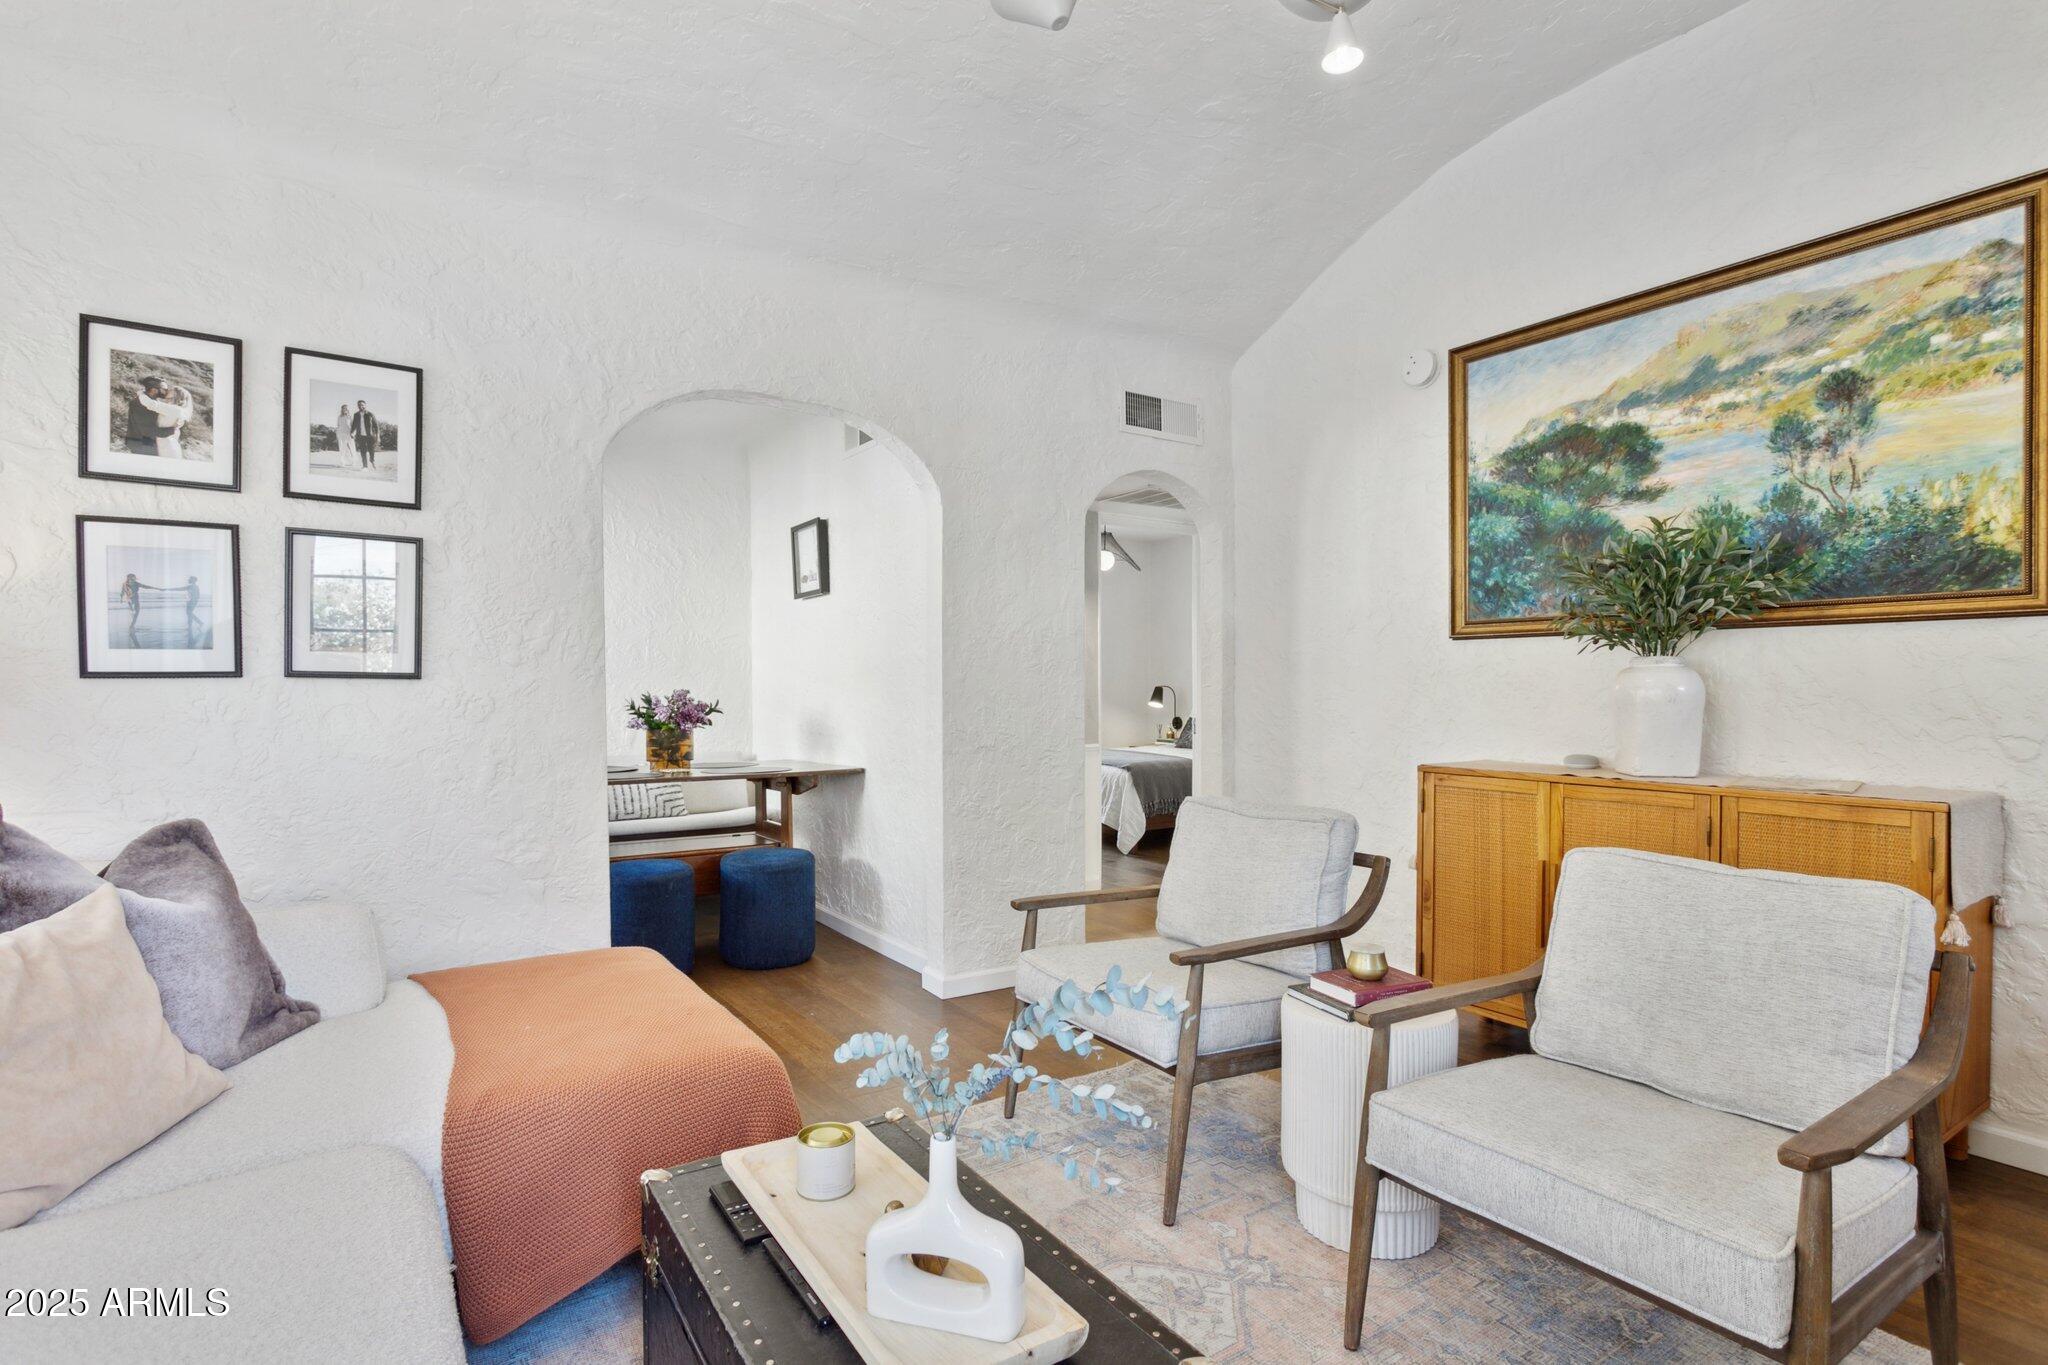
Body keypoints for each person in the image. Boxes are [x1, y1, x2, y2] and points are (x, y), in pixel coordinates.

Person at [134, 383, 194, 459]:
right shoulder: (174, 408)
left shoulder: (175, 410)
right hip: (164, 443)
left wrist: (141, 393)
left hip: (167, 447)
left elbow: (151, 404)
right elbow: (159, 405)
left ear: (176, 394)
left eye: (171, 390)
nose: (168, 390)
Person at [125, 377, 166, 455]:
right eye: (164, 389)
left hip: (144, 442)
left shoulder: (149, 401)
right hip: (141, 444)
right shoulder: (140, 404)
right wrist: (172, 430)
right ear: (154, 390)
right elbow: (147, 429)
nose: (167, 391)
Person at [349, 399, 380, 470]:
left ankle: (372, 460)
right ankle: (365, 466)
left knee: (371, 450)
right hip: (360, 436)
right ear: (358, 406)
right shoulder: (356, 415)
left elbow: (376, 426)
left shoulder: (370, 414)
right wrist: (352, 433)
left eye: (362, 405)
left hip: (370, 435)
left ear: (365, 405)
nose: (361, 406)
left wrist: (378, 436)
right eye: (359, 405)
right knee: (363, 451)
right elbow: (354, 425)